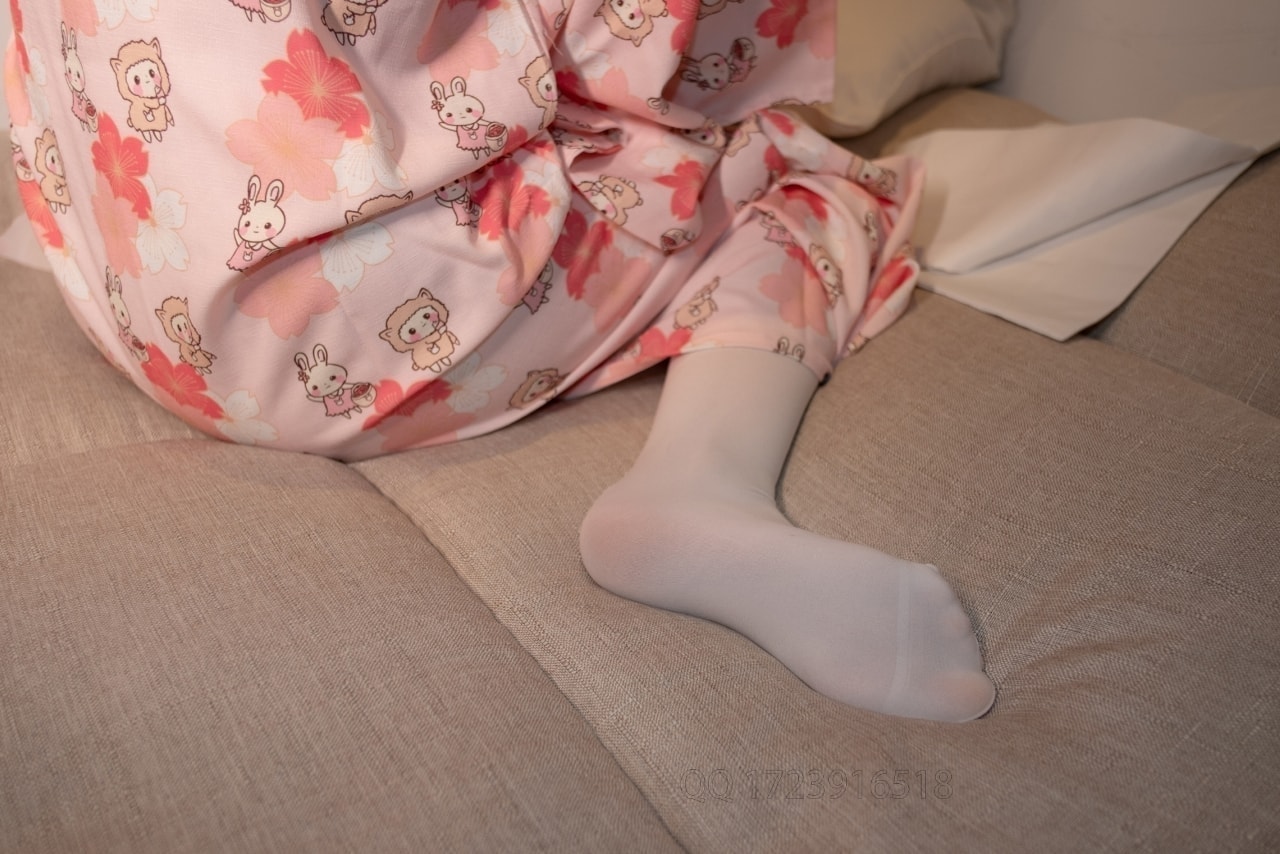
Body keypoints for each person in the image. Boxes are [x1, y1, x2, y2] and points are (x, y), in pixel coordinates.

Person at [5, 0, 995, 721]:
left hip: (136, 295)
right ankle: (702, 484)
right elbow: (646, 63)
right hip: (342, 343)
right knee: (794, 173)